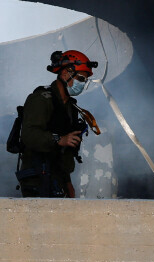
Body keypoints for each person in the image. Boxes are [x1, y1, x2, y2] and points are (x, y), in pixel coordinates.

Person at [16, 50, 98, 198]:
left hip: (56, 178)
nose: (82, 84)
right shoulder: (41, 99)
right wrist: (58, 139)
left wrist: (67, 182)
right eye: (80, 78)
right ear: (66, 73)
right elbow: (28, 135)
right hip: (36, 177)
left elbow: (63, 153)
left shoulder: (70, 107)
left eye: (84, 80)